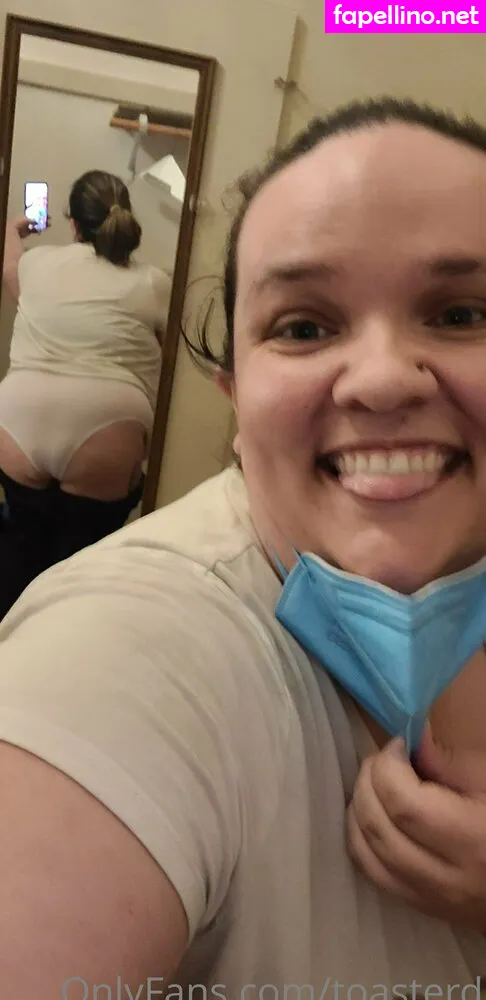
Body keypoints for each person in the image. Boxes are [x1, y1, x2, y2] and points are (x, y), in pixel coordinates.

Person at [2, 97, 486, 997]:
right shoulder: (132, 650)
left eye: (462, 314)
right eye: (304, 327)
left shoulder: (40, 263)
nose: (383, 380)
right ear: (235, 396)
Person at [0, 169, 171, 618]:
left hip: (19, 419)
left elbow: (8, 267)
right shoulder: (154, 283)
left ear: (72, 222)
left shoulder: (37, 264)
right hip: (105, 426)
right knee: (84, 569)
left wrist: (15, 229)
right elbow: (167, 349)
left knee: (18, 551)